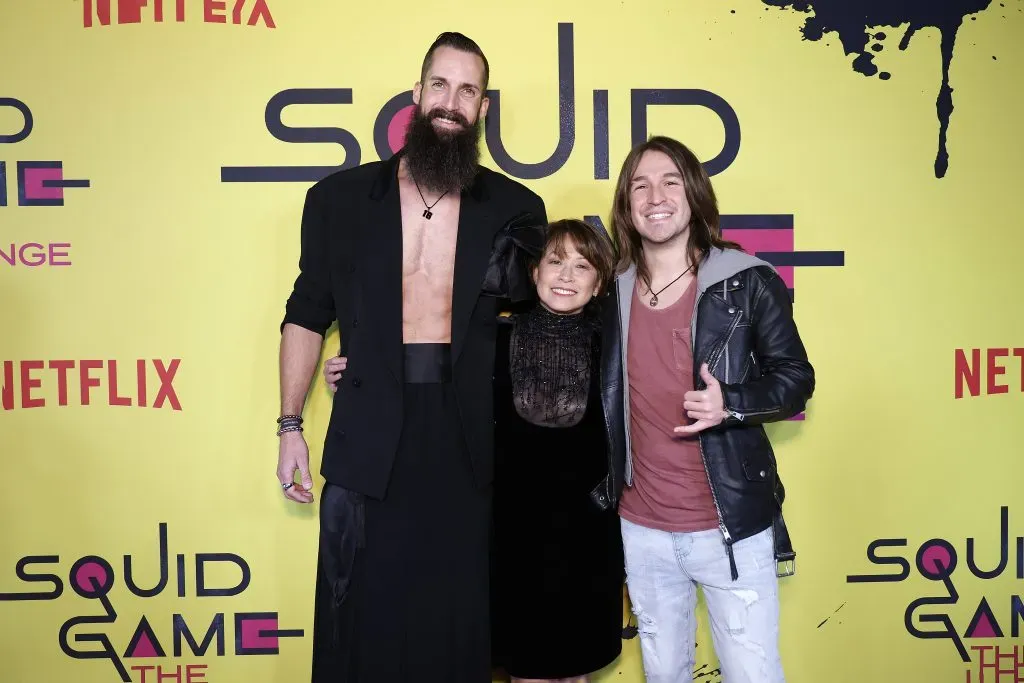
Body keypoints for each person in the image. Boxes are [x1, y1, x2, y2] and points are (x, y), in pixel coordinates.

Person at [275, 30, 547, 683]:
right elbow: (308, 313)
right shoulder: (337, 201)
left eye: (468, 89)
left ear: (483, 108)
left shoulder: (518, 209)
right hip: (368, 437)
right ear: (417, 92)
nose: (451, 101)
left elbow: (540, 331)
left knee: (456, 626)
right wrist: (290, 425)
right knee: (360, 628)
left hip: (467, 441)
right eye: (440, 84)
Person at [335, 218, 627, 681]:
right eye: (555, 261)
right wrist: (358, 372)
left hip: (588, 531)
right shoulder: (493, 335)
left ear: (600, 284)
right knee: (527, 665)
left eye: (582, 266)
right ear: (533, 273)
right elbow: (424, 374)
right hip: (510, 531)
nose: (566, 275)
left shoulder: (614, 345)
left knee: (577, 666)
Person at [608, 135, 815, 683]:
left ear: (694, 193)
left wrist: (734, 403)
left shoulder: (747, 281)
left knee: (753, 674)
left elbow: (796, 379)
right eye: (640, 185)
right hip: (642, 529)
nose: (655, 196)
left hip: (730, 526)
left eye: (670, 181)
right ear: (627, 205)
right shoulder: (611, 291)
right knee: (663, 673)